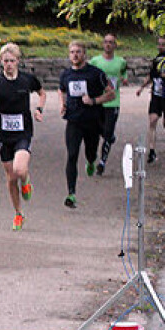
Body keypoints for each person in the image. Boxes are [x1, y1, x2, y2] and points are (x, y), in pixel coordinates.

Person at [0, 43, 46, 231]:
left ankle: (26, 182)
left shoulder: (27, 80)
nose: (9, 64)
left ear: (18, 61)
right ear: (1, 62)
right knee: (10, 177)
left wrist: (39, 109)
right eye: (5, 61)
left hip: (23, 131)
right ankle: (18, 213)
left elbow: (42, 94)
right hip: (3, 133)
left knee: (19, 170)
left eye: (12, 61)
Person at [59, 41, 115, 209]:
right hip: (73, 121)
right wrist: (63, 104)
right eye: (72, 52)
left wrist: (94, 101)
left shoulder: (95, 73)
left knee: (90, 152)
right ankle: (71, 193)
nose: (75, 55)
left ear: (84, 54)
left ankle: (91, 162)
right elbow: (61, 89)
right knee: (72, 155)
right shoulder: (65, 75)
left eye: (78, 52)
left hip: (92, 121)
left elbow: (111, 94)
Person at [89, 34, 128, 175]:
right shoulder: (95, 61)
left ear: (115, 45)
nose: (108, 45)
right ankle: (110, 136)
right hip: (99, 102)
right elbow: (89, 75)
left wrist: (124, 78)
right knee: (99, 131)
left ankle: (102, 162)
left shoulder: (120, 61)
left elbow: (124, 71)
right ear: (102, 44)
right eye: (106, 42)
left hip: (113, 102)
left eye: (111, 42)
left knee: (108, 132)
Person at [135, 36, 165, 165]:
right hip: (156, 95)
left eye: (163, 45)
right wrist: (141, 88)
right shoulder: (156, 60)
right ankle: (152, 151)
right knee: (152, 121)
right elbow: (151, 76)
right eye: (159, 44)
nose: (160, 47)